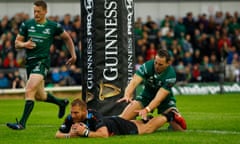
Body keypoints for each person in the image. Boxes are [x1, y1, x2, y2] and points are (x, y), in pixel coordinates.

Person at [6, 0, 77, 130]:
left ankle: (21, 123)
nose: (36, 14)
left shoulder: (53, 26)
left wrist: (73, 55)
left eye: (39, 11)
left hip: (42, 62)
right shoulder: (27, 25)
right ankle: (61, 103)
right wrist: (25, 44)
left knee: (29, 89)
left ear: (45, 11)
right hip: (30, 63)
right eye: (34, 11)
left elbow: (67, 38)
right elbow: (16, 43)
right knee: (40, 96)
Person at [117, 49, 187, 131]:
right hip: (146, 96)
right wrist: (127, 94)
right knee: (122, 119)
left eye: (160, 64)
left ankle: (170, 118)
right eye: (155, 62)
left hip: (165, 100)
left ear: (168, 63)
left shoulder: (171, 75)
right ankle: (145, 120)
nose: (156, 66)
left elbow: (158, 99)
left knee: (181, 129)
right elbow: (134, 82)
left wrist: (147, 109)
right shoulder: (147, 66)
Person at [55, 98, 180, 138]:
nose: (73, 115)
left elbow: (104, 135)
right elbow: (57, 134)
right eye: (72, 112)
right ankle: (145, 119)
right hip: (111, 121)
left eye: (76, 113)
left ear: (84, 111)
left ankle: (170, 115)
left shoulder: (93, 115)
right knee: (141, 124)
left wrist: (85, 132)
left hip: (118, 125)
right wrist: (70, 135)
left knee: (147, 129)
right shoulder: (71, 118)